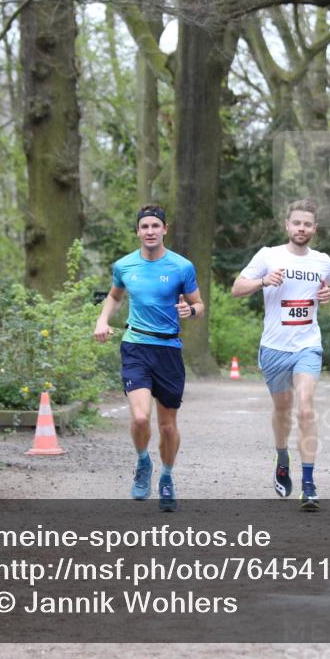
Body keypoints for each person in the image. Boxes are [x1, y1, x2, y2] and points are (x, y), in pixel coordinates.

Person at [232, 199, 330, 510]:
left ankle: (309, 484)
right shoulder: (269, 256)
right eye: (297, 223)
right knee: (283, 409)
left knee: (305, 408)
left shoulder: (322, 261)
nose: (302, 228)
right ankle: (282, 457)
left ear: (314, 228)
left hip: (308, 345)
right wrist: (263, 281)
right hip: (274, 348)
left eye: (307, 224)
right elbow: (237, 287)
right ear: (287, 225)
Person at [94, 204, 204, 512]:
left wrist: (190, 311)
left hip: (168, 350)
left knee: (167, 426)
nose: (150, 231)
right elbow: (115, 295)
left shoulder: (182, 267)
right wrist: (102, 320)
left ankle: (167, 476)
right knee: (140, 417)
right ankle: (143, 462)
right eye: (145, 227)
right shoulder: (125, 266)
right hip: (136, 347)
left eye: (156, 226)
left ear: (165, 229)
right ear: (138, 232)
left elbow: (198, 304)